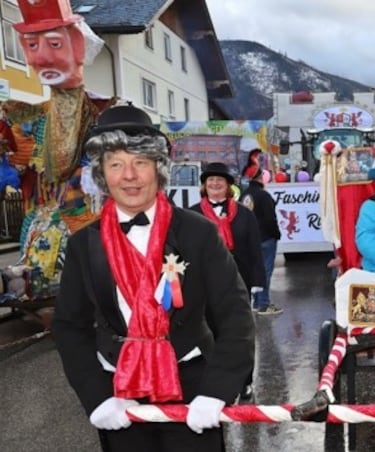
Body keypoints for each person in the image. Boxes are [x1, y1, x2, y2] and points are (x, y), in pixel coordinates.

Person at [52, 105, 255, 452]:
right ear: (103, 173)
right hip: (118, 389)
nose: (129, 176)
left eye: (140, 162)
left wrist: (217, 390)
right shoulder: (84, 243)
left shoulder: (199, 233)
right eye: (116, 164)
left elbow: (235, 315)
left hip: (192, 385)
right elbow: (70, 326)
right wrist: (97, 397)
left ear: (158, 169)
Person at [0, 0, 111, 294]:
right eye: (32, 46)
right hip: (43, 218)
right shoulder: (27, 116)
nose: (43, 58)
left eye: (54, 44)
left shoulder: (104, 112)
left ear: (77, 45)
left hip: (87, 220)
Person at [190, 162, 266, 400]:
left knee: (240, 334)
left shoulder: (244, 214)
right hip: (204, 284)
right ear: (204, 186)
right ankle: (214, 381)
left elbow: (255, 248)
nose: (214, 184)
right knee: (209, 333)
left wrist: (257, 282)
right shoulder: (192, 214)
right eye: (210, 181)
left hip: (239, 281)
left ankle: (245, 381)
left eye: (219, 181)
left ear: (228, 187)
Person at [240, 167, 283, 315]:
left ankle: (256, 302)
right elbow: (270, 219)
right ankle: (264, 304)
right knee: (265, 271)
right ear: (260, 177)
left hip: (248, 239)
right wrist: (276, 234)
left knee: (254, 270)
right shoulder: (264, 196)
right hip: (265, 237)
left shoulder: (244, 195)